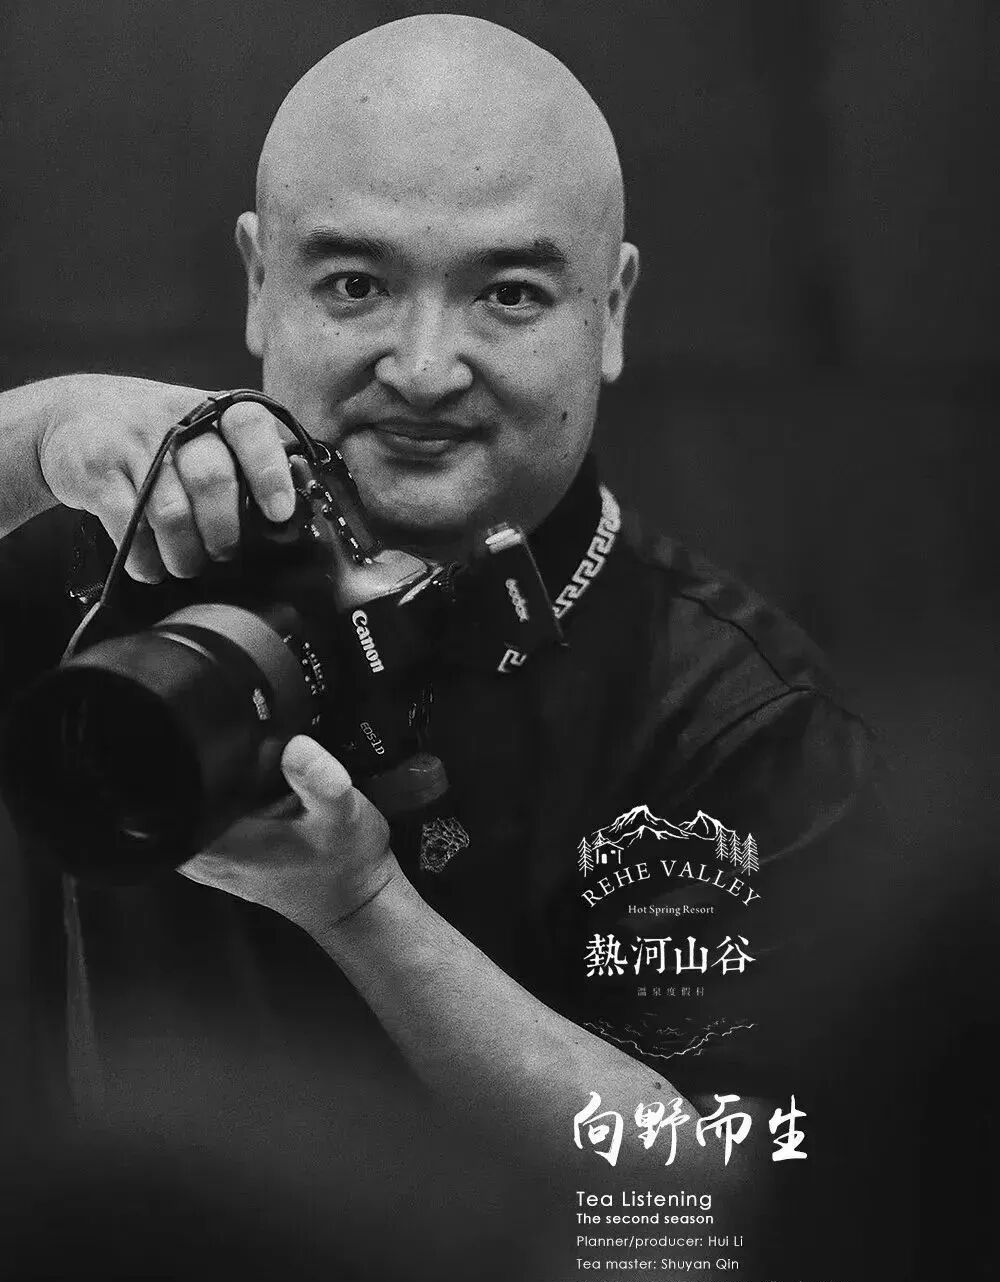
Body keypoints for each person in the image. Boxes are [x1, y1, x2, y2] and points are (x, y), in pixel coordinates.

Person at [0, 15, 881, 1162]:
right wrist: (33, 438)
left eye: (507, 294)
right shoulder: (118, 554)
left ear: (609, 311)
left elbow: (722, 1204)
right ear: (261, 282)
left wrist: (362, 909)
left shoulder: (732, 718)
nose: (422, 367)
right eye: (354, 284)